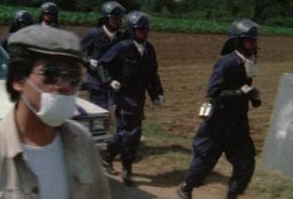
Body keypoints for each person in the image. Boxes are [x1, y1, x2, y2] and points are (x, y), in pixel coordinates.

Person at [0, 25, 111, 198]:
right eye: (51, 73)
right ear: (18, 80)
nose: (64, 85)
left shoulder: (82, 142)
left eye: (73, 76)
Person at [179, 18, 262, 199]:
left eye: (254, 40)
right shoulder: (226, 63)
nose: (253, 44)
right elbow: (213, 94)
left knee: (246, 163)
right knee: (204, 162)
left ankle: (232, 195)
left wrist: (253, 97)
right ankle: (186, 187)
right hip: (217, 124)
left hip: (238, 124)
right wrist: (241, 94)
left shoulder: (249, 63)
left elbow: (245, 89)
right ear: (238, 41)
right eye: (249, 40)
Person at [99, 11, 164, 186]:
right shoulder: (122, 47)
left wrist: (157, 94)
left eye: (146, 30)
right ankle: (127, 168)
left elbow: (152, 75)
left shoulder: (149, 49)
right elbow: (103, 64)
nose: (144, 33)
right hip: (122, 96)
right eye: (140, 29)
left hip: (138, 97)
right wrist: (110, 81)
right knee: (132, 133)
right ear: (131, 30)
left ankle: (108, 157)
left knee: (125, 133)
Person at [81, 1, 127, 111]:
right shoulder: (94, 34)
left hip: (113, 82)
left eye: (119, 19)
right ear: (106, 19)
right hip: (96, 82)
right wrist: (88, 61)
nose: (118, 22)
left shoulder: (121, 37)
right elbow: (78, 50)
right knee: (100, 113)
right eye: (114, 19)